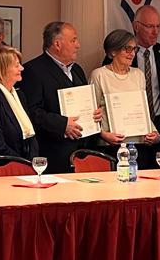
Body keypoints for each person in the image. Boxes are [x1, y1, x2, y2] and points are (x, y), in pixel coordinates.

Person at [21, 21, 102, 174]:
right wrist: (62, 124)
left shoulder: (77, 70)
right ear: (57, 44)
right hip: (54, 155)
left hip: (83, 153)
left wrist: (95, 114)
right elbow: (32, 112)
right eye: (73, 40)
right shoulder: (33, 70)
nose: (78, 45)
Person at [102, 5, 160, 148]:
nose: (155, 32)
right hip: (128, 127)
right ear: (136, 26)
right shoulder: (119, 56)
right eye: (150, 26)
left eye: (158, 26)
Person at [91, 30, 160, 158]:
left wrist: (154, 133)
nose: (132, 54)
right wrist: (103, 135)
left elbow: (142, 110)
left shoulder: (138, 74)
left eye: (134, 49)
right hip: (110, 145)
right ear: (113, 51)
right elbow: (91, 114)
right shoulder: (99, 75)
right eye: (128, 49)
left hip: (138, 144)